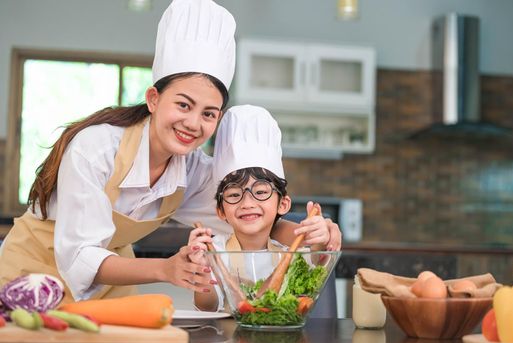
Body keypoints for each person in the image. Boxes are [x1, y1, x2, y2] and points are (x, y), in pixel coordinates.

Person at [0, 0, 341, 303]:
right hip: (30, 276)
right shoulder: (96, 148)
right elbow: (78, 256)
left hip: (109, 286)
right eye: (183, 104)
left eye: (209, 114)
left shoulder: (193, 171)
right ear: (153, 99)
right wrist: (166, 269)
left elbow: (250, 218)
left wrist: (314, 235)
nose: (193, 123)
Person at [188, 105, 332, 311]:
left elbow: (318, 261)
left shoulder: (291, 254)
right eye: (234, 195)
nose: (247, 204)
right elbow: (208, 307)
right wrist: (201, 272)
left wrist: (320, 238)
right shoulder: (215, 251)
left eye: (261, 192)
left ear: (283, 204)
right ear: (221, 210)